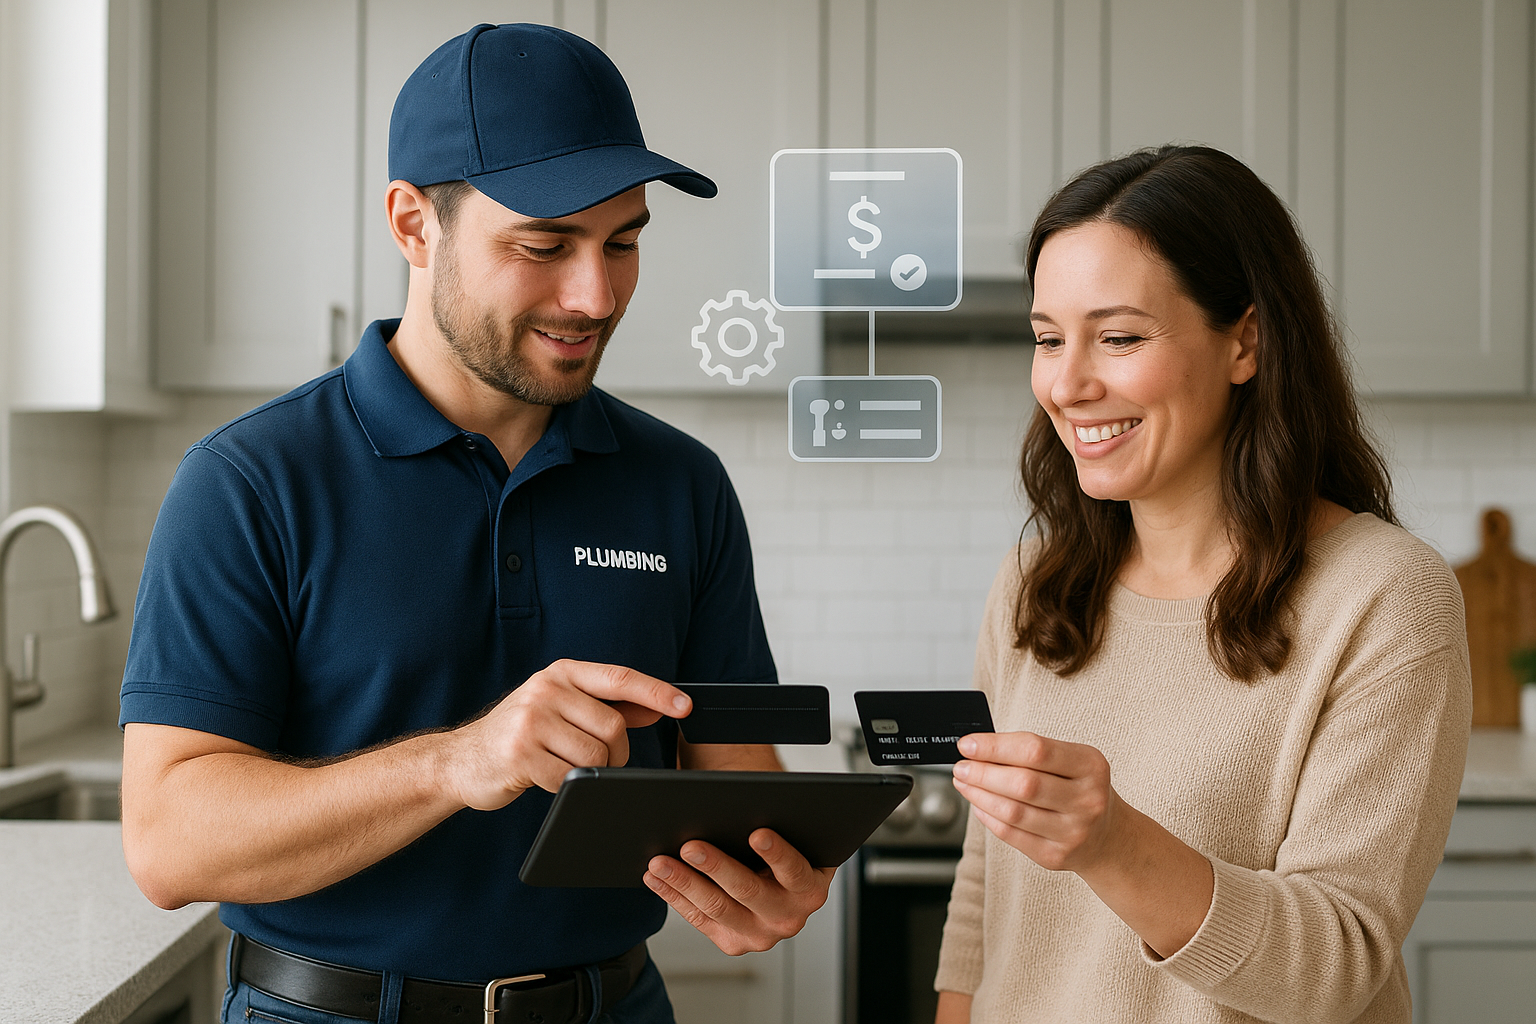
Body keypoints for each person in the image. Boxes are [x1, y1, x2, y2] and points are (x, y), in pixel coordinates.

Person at [118, 23, 832, 1024]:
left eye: (623, 242)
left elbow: (739, 781)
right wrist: (460, 760)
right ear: (415, 225)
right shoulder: (248, 481)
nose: (595, 295)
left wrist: (773, 880)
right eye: (544, 246)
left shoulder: (683, 485)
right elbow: (169, 842)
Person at [933, 145, 1471, 1024]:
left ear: (1244, 342)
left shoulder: (1384, 596)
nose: (1067, 384)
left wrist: (1110, 843)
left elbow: (1335, 968)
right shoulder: (1036, 581)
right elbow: (985, 894)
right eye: (1046, 339)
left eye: (1119, 337)